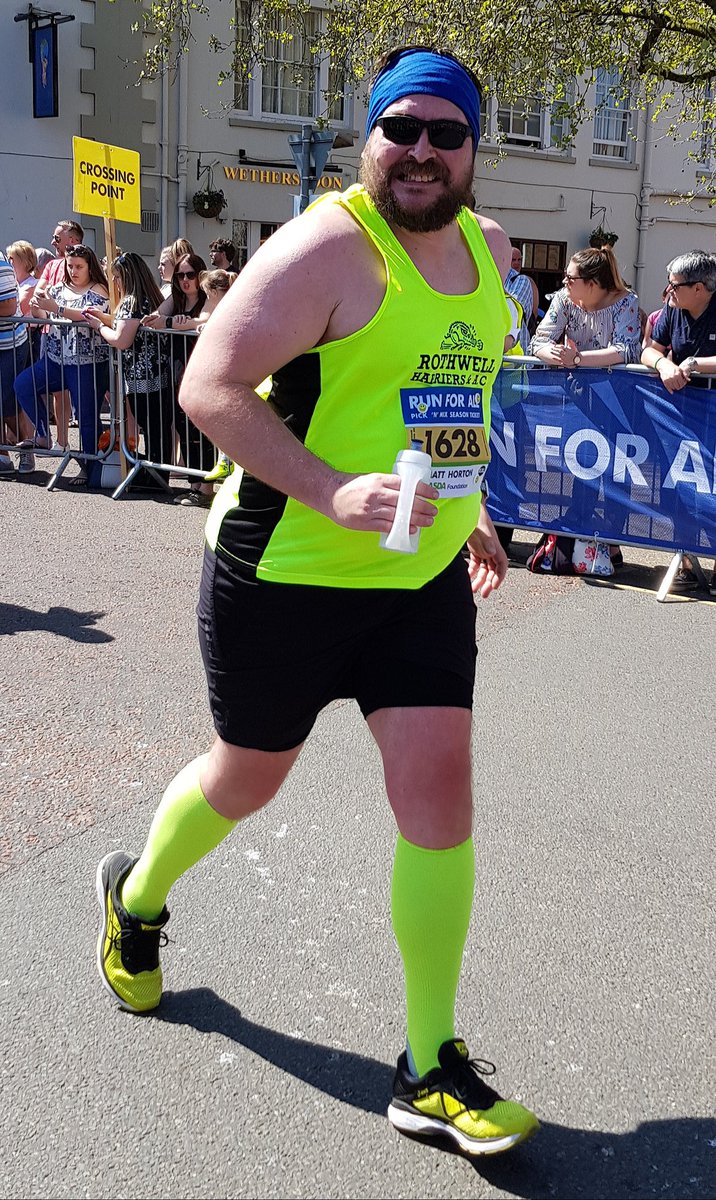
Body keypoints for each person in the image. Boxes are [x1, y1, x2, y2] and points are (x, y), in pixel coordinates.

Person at [95, 44, 539, 1158]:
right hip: (285, 570)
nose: (422, 151)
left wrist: (463, 500)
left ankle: (427, 1062)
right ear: (369, 138)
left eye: (446, 131)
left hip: (416, 577)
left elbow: (447, 390)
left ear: (474, 145)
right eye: (402, 129)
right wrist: (331, 488)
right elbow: (210, 387)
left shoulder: (485, 252)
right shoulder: (329, 246)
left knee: (439, 798)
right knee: (249, 778)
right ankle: (137, 898)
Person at [530, 247, 641, 568]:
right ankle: (580, 532)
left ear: (592, 283)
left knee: (617, 466)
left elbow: (628, 350)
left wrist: (578, 359)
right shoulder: (565, 301)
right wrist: (550, 354)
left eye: (570, 278)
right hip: (580, 394)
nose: (564, 283)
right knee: (584, 461)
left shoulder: (626, 303)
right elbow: (540, 339)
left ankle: (614, 542)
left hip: (620, 396)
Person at [641, 250, 716, 594]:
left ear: (700, 288)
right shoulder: (672, 311)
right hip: (684, 408)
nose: (668, 292)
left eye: (674, 286)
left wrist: (697, 364)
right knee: (683, 481)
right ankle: (687, 558)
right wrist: (664, 365)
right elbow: (648, 349)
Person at [16, 244, 110, 484]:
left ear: (90, 267)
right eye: (70, 266)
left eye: (79, 266)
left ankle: (91, 468)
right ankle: (43, 433)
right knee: (23, 385)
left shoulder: (99, 289)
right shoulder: (57, 288)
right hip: (56, 359)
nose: (74, 270)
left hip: (86, 363)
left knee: (87, 419)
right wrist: (38, 308)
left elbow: (90, 315)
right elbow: (44, 318)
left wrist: (55, 308)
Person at [83, 252, 174, 489]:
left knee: (150, 426)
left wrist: (99, 326)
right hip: (158, 374)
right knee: (158, 429)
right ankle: (158, 474)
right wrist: (105, 317)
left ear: (126, 277)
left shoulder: (131, 301)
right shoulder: (151, 298)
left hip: (140, 376)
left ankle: (154, 476)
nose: (114, 282)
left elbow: (121, 339)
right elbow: (125, 324)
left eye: (116, 277)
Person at [142, 252, 214, 506]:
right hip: (179, 368)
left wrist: (172, 322)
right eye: (180, 275)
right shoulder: (176, 298)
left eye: (190, 275)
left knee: (201, 428)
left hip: (202, 368)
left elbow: (202, 322)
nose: (185, 280)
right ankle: (194, 484)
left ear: (200, 275)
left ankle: (205, 488)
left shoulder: (209, 297)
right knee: (183, 425)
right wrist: (167, 320)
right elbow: (152, 319)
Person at [30, 219, 84, 445]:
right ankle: (61, 441)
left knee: (83, 392)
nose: (53, 241)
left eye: (57, 238)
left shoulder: (82, 263)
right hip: (49, 331)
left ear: (72, 240)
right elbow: (39, 292)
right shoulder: (52, 265)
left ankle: (92, 446)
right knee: (56, 390)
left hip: (75, 335)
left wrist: (50, 301)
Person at [0, 249, 34, 475]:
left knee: (8, 404)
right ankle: (2, 456)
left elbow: (9, 306)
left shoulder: (0, 263)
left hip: (9, 343)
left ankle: (27, 449)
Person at [504, 245, 538, 352]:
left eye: (519, 260)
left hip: (518, 349)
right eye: (513, 260)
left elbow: (533, 314)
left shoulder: (524, 281)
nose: (517, 263)